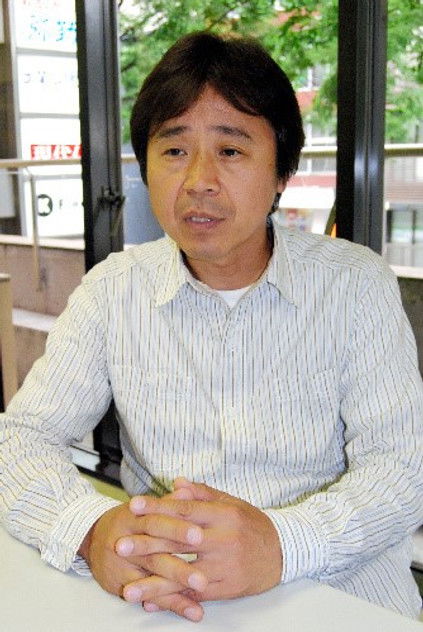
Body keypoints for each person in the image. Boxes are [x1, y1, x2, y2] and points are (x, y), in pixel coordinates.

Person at [1, 31, 422, 623]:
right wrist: (91, 531)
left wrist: (282, 544)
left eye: (230, 150)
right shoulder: (113, 290)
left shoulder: (356, 285)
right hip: (168, 598)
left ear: (281, 172)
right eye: (174, 150)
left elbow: (403, 468)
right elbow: (22, 438)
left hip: (339, 597)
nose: (199, 179)